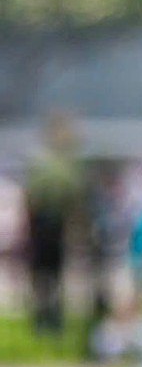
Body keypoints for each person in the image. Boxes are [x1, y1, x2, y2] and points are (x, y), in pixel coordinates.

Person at [22, 114, 89, 336]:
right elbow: (32, 199)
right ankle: (42, 319)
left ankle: (52, 320)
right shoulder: (44, 163)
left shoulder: (69, 164)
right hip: (43, 226)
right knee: (42, 277)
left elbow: (75, 201)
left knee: (54, 277)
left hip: (57, 226)